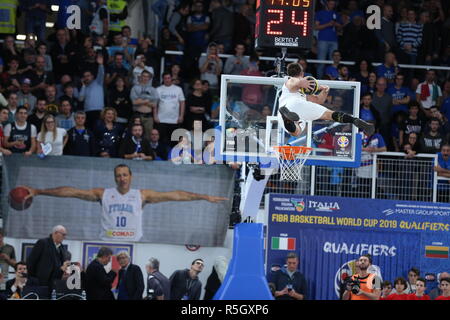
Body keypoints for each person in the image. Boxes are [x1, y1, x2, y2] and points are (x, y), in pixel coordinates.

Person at [23, 164, 227, 242]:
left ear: (131, 176)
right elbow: (72, 192)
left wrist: (205, 197)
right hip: (106, 243)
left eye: (125, 175)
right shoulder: (103, 193)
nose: (122, 178)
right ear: (115, 178)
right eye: (118, 175)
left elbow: (175, 195)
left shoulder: (142, 195)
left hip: (133, 244)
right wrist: (39, 191)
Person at [277, 63, 374, 138]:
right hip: (292, 105)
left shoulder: (300, 91)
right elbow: (294, 81)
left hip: (288, 108)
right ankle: (354, 120)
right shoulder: (291, 81)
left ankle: (288, 121)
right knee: (329, 114)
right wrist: (305, 83)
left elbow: (318, 100)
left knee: (296, 132)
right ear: (302, 73)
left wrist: (324, 90)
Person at [27, 225, 70, 291]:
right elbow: (31, 261)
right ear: (55, 233)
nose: (64, 237)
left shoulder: (62, 248)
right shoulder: (43, 243)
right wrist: (34, 279)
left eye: (65, 235)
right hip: (41, 282)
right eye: (63, 234)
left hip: (55, 283)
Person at [314, 0, 343, 79]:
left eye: (333, 4)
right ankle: (319, 80)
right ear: (327, 4)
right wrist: (328, 24)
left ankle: (334, 80)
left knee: (334, 63)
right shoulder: (320, 13)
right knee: (321, 62)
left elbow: (340, 27)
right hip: (323, 39)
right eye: (330, 3)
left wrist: (336, 24)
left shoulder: (336, 14)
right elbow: (316, 27)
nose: (332, 5)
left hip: (334, 40)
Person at [155, 72, 185, 145]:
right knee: (161, 141)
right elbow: (155, 104)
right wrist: (155, 116)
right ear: (163, 79)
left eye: (168, 78)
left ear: (171, 78)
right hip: (161, 120)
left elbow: (182, 103)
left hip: (174, 120)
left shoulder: (178, 89)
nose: (167, 80)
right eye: (165, 78)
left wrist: (181, 116)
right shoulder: (158, 89)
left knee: (174, 142)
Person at [79, 54, 106, 130]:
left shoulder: (98, 82)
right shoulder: (84, 87)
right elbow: (80, 99)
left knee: (99, 130)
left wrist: (100, 64)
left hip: (99, 111)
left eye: (88, 76)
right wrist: (83, 86)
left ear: (92, 76)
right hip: (87, 112)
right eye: (85, 76)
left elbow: (101, 74)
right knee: (89, 131)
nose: (86, 77)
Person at [130, 70, 159, 139]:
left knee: (148, 137)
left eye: (147, 77)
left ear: (149, 78)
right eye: (144, 76)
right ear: (140, 77)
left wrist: (141, 101)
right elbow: (134, 102)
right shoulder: (135, 88)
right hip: (138, 116)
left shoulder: (153, 90)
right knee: (136, 135)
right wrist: (148, 101)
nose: (145, 78)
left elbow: (154, 105)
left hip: (149, 117)